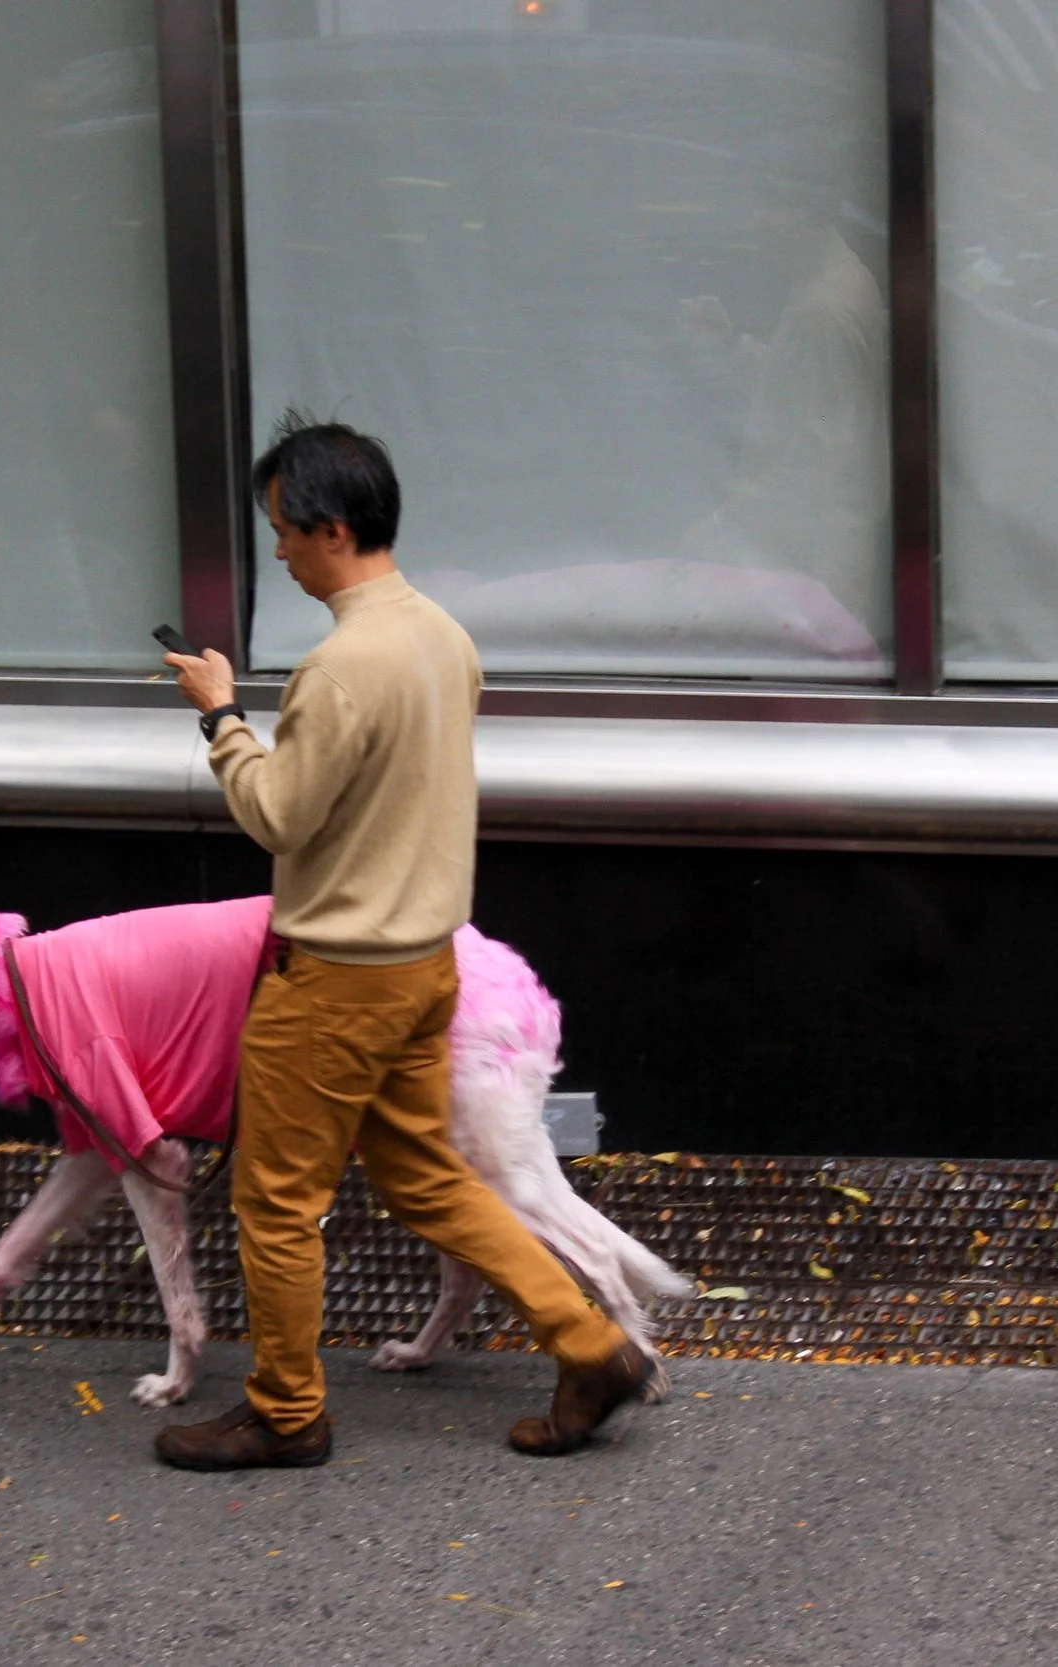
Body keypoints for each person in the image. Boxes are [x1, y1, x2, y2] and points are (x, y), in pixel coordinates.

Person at [156, 412, 649, 1471]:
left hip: (335, 975)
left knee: (277, 1198)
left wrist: (219, 718)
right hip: (427, 963)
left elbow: (279, 817)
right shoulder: (440, 634)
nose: (278, 551)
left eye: (283, 530)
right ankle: (587, 1339)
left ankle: (287, 1409)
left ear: (331, 527)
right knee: (426, 1175)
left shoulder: (338, 669)